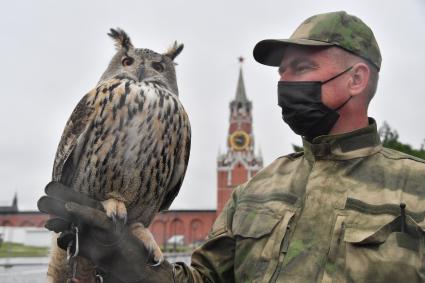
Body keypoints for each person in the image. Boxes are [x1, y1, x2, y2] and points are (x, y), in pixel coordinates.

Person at [38, 11, 425, 283]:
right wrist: (135, 268)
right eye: (281, 72)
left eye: (302, 69)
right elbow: (204, 280)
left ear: (356, 79)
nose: (285, 83)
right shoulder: (256, 191)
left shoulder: (416, 186)